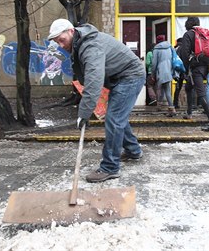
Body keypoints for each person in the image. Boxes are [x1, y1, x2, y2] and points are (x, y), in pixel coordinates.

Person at [47, 19, 146, 183]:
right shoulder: (80, 43)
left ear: (71, 31)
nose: (61, 45)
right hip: (119, 78)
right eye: (57, 42)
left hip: (130, 76)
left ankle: (110, 167)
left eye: (61, 40)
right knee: (116, 117)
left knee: (114, 119)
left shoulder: (91, 46)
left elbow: (94, 81)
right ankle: (133, 150)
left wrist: (84, 113)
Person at [179, 17, 209, 131]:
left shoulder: (188, 34)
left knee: (200, 93)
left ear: (188, 24)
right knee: (188, 87)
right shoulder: (203, 33)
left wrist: (186, 68)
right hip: (206, 64)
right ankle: (189, 112)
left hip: (196, 67)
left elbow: (184, 53)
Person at [151, 35, 176, 117]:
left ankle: (172, 108)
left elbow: (154, 63)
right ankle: (159, 106)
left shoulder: (156, 49)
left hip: (160, 70)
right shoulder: (170, 47)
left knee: (166, 89)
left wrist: (152, 74)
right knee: (163, 88)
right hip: (169, 69)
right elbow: (173, 59)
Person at [172, 38, 184, 109]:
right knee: (179, 86)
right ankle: (175, 103)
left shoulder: (175, 49)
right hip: (181, 69)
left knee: (178, 87)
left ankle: (175, 103)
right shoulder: (182, 48)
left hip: (176, 70)